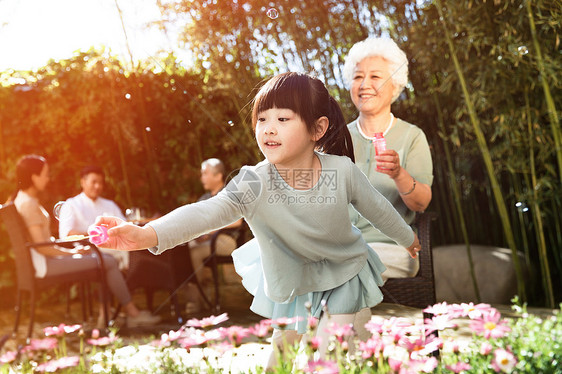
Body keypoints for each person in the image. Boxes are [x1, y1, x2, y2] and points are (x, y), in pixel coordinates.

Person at [94, 72, 421, 369]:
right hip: (293, 283)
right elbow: (206, 212)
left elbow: (377, 207)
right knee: (279, 360)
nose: (268, 128)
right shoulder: (254, 181)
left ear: (317, 129)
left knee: (330, 358)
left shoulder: (341, 171)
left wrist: (406, 237)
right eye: (261, 119)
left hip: (344, 275)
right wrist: (146, 234)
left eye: (282, 118)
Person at [342, 37, 433, 341]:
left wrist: (398, 173)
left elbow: (421, 203)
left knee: (348, 271)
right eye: (357, 76)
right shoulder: (336, 138)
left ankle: (353, 360)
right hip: (341, 247)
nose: (364, 84)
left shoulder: (411, 137)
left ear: (396, 86)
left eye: (375, 76)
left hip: (393, 248)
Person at [10, 155, 160, 328]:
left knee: (103, 260)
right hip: (45, 263)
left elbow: (42, 244)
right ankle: (131, 313)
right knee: (106, 260)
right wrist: (72, 252)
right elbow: (42, 248)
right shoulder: (28, 204)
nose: (48, 178)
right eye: (45, 174)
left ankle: (108, 314)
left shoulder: (22, 200)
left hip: (45, 260)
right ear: (33, 177)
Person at [186, 158, 242, 312]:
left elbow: (238, 222)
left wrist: (210, 230)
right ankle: (199, 297)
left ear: (218, 176)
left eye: (205, 174)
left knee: (194, 253)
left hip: (225, 240)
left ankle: (197, 301)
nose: (202, 177)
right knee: (184, 249)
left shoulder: (229, 194)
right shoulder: (204, 199)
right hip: (207, 241)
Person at [58, 165, 129, 270]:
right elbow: (66, 234)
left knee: (129, 247)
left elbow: (124, 225)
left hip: (113, 244)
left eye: (100, 183)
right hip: (88, 249)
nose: (97, 186)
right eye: (94, 182)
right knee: (127, 251)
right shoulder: (71, 204)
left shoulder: (109, 204)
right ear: (83, 182)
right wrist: (95, 234)